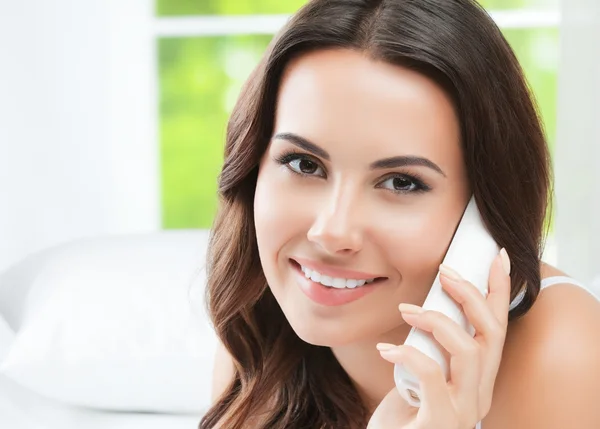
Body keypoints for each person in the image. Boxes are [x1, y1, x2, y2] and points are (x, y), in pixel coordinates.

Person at [199, 0, 600, 428]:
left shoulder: (562, 350)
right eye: (304, 164)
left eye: (401, 183)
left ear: (481, 212)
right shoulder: (259, 332)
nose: (332, 232)